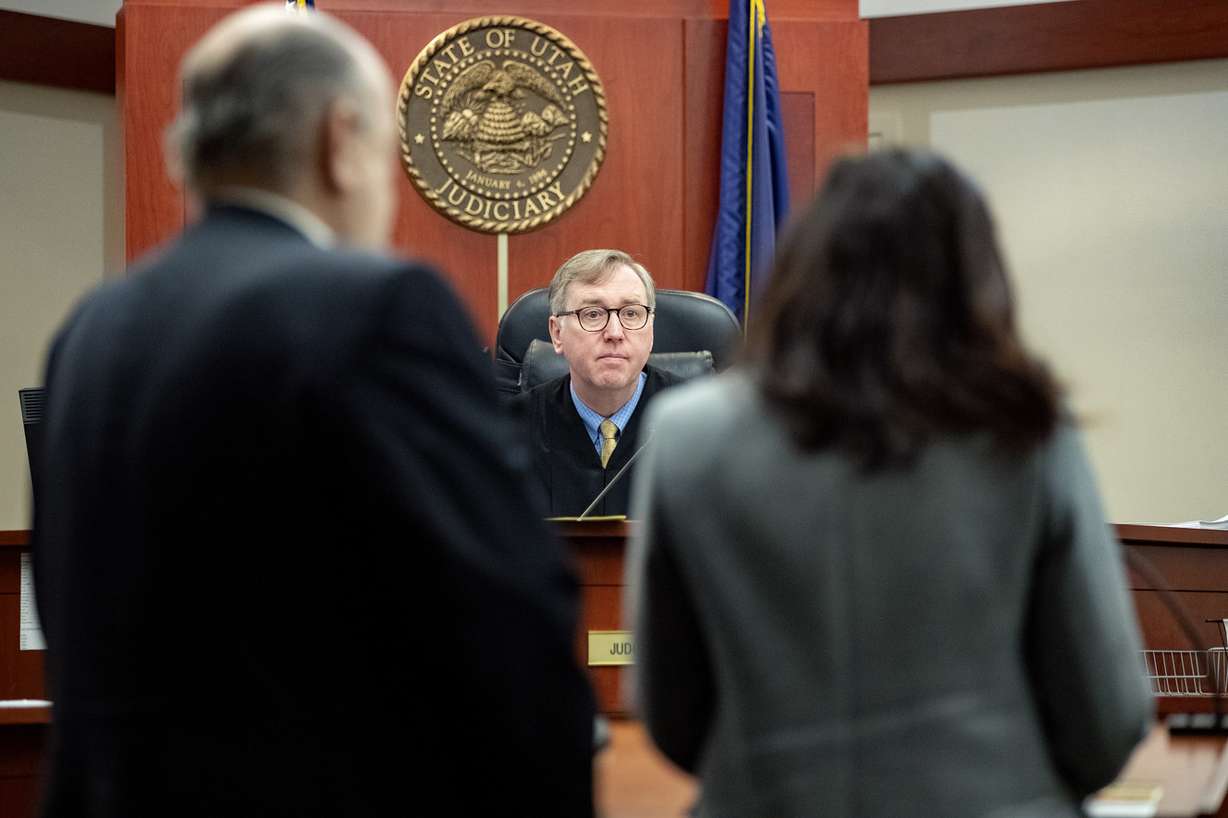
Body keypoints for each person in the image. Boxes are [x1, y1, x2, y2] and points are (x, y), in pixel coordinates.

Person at [32, 7, 594, 817]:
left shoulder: (94, 326)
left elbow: (68, 607)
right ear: (340, 139)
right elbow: (503, 620)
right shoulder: (379, 306)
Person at [625, 149, 1152, 817]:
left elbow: (672, 711)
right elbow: (1105, 720)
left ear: (803, 269)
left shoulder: (686, 435)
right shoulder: (1024, 427)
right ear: (974, 277)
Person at [512, 249, 683, 517]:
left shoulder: (703, 427)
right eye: (592, 314)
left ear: (650, 330)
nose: (615, 333)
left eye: (631, 313)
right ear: (557, 333)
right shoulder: (509, 431)